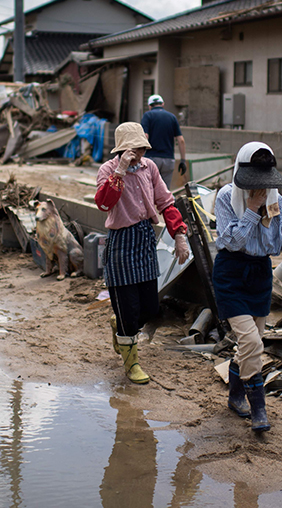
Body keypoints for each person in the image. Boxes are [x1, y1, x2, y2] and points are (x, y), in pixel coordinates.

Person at [212, 141, 282, 432]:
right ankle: (258, 407)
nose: (258, 189)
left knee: (249, 345)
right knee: (251, 342)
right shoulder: (225, 197)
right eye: (252, 183)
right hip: (231, 273)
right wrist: (250, 210)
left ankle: (236, 397)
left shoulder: (276, 202)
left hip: (260, 275)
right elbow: (230, 241)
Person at [95, 122, 190, 384]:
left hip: (145, 238)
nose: (139, 153)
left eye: (142, 148)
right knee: (128, 308)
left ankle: (120, 326)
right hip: (121, 241)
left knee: (148, 307)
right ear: (123, 149)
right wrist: (121, 170)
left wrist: (179, 236)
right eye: (135, 148)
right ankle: (132, 362)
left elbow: (166, 203)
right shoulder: (108, 170)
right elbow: (104, 203)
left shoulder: (150, 168)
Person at [140, 94, 187, 188]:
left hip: (151, 159)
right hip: (168, 160)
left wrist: (140, 156)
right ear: (163, 104)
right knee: (164, 192)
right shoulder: (172, 117)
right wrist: (182, 160)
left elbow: (145, 136)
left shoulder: (148, 115)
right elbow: (181, 140)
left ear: (149, 106)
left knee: (149, 190)